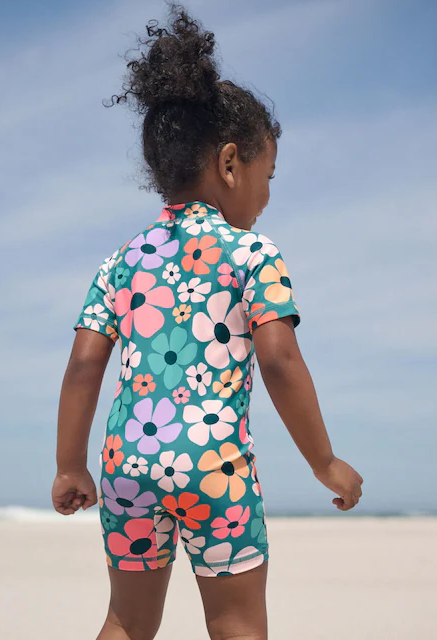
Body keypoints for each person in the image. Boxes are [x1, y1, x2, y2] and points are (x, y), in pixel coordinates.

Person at [52, 5, 363, 639]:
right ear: (229, 164)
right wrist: (324, 461)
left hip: (127, 464)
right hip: (213, 464)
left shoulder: (120, 261)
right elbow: (278, 359)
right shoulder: (253, 254)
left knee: (127, 622)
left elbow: (84, 365)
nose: (267, 194)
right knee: (237, 625)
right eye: (266, 176)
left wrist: (70, 466)